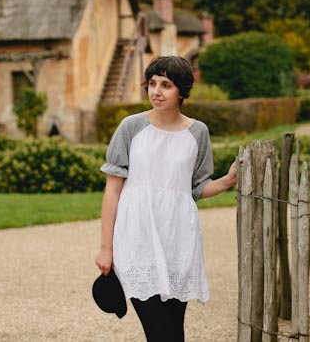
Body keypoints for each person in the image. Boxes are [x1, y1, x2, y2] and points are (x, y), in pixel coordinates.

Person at [95, 55, 237, 341]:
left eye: (166, 85)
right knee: (158, 331)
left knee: (173, 332)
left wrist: (227, 181)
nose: (156, 92)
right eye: (152, 83)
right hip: (136, 239)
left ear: (182, 91)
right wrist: (105, 248)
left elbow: (195, 188)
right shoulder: (131, 127)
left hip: (178, 240)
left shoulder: (198, 132)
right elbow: (113, 190)